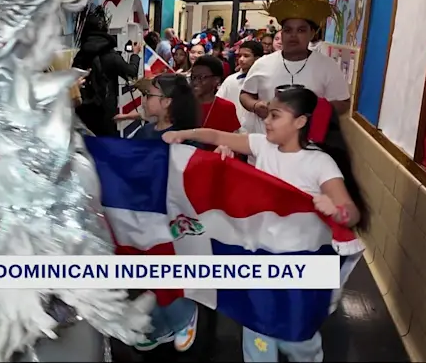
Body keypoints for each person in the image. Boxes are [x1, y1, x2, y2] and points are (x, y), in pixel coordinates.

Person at [162, 87, 368, 363]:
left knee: (297, 337)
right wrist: (184, 135)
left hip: (300, 265)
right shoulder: (262, 146)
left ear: (300, 122)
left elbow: (351, 213)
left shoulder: (319, 163)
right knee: (257, 326)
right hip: (261, 256)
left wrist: (337, 210)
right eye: (268, 114)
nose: (267, 121)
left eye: (275, 115)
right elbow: (216, 136)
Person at [126, 74, 202, 352]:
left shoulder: (186, 139)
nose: (145, 100)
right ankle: (161, 325)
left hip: (172, 221)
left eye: (150, 95)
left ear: (167, 102)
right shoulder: (145, 131)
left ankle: (183, 316)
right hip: (146, 216)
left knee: (166, 272)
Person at [239, 0, 350, 136]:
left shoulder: (328, 66)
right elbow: (245, 94)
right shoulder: (262, 64)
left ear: (312, 34)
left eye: (301, 30)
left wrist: (316, 109)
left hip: (309, 147)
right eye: (288, 30)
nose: (293, 35)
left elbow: (344, 103)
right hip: (264, 145)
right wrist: (255, 106)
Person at [73, 4, 140, 136]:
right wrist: (135, 55)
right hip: (105, 111)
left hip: (84, 111)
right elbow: (131, 73)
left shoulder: (80, 55)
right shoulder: (111, 55)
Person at [218, 40, 264, 127]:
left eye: (246, 56)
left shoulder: (264, 81)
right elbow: (219, 102)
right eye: (239, 56)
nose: (241, 59)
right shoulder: (231, 80)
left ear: (257, 58)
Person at [191, 55, 240, 134]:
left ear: (216, 80)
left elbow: (234, 139)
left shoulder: (226, 107)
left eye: (201, 77)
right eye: (193, 77)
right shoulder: (184, 104)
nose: (195, 82)